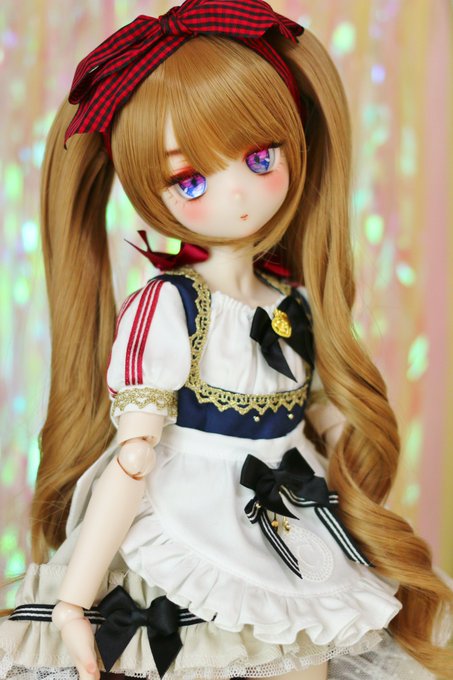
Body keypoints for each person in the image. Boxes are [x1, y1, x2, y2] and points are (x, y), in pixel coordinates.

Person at [0, 1, 452, 679]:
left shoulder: (293, 302)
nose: (238, 193)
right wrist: (72, 599)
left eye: (259, 157)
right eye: (190, 179)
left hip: (291, 513)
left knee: (308, 654)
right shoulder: (169, 306)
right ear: (149, 190)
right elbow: (134, 457)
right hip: (192, 515)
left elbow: (321, 415)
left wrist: (348, 459)